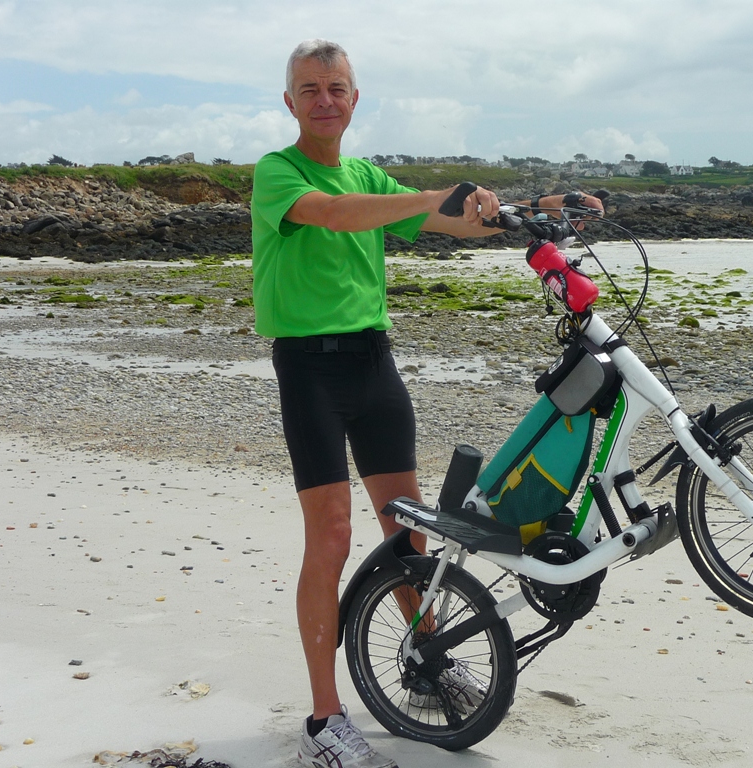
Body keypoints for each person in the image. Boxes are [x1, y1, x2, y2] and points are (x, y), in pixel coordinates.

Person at [251, 39, 603, 768]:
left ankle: (428, 658)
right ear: (291, 102)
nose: (324, 99)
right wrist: (426, 197)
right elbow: (337, 214)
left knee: (409, 535)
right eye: (310, 89)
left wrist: (543, 208)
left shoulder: (369, 174)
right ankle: (325, 718)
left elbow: (459, 221)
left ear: (354, 99)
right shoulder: (277, 174)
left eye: (336, 88)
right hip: (309, 371)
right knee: (332, 538)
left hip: (373, 365)